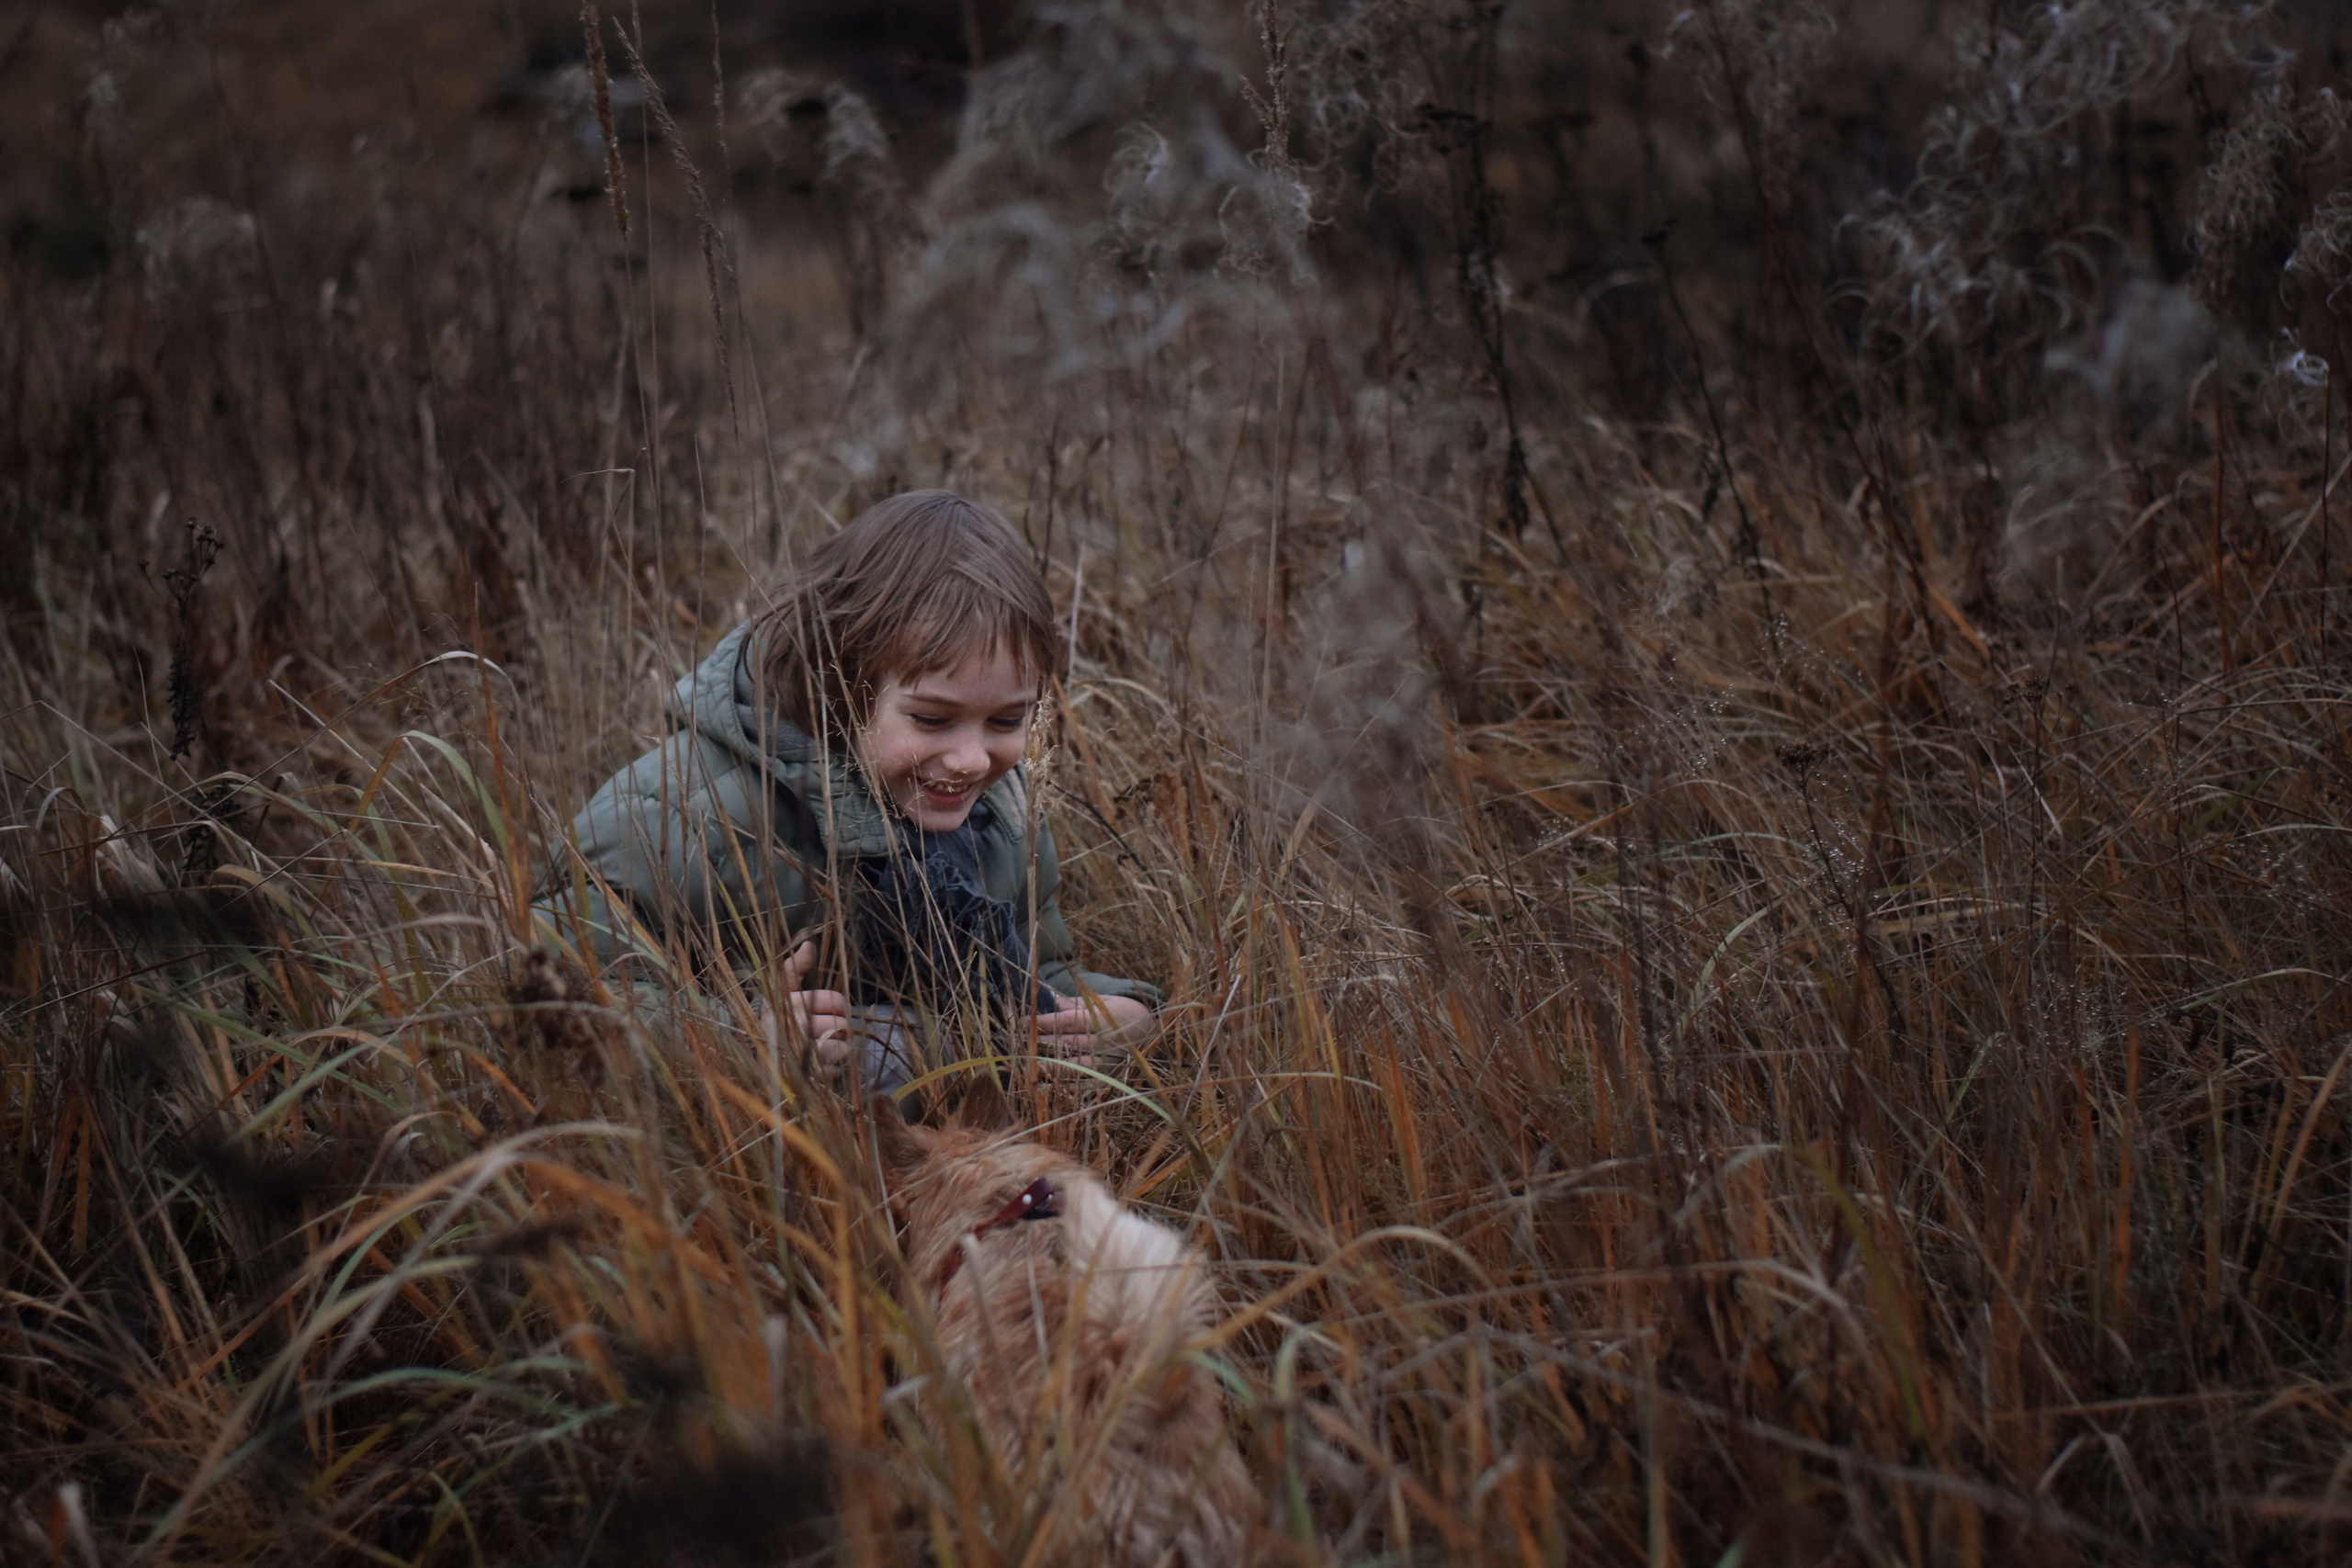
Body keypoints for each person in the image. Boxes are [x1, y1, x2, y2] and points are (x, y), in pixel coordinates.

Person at [540, 490, 1155, 1089]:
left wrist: (1120, 1015)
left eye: (1006, 721)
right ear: (842, 683)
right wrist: (733, 1037)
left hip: (953, 1166)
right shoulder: (680, 811)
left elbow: (1037, 970)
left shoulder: (1004, 809)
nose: (971, 759)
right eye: (932, 719)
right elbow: (546, 986)